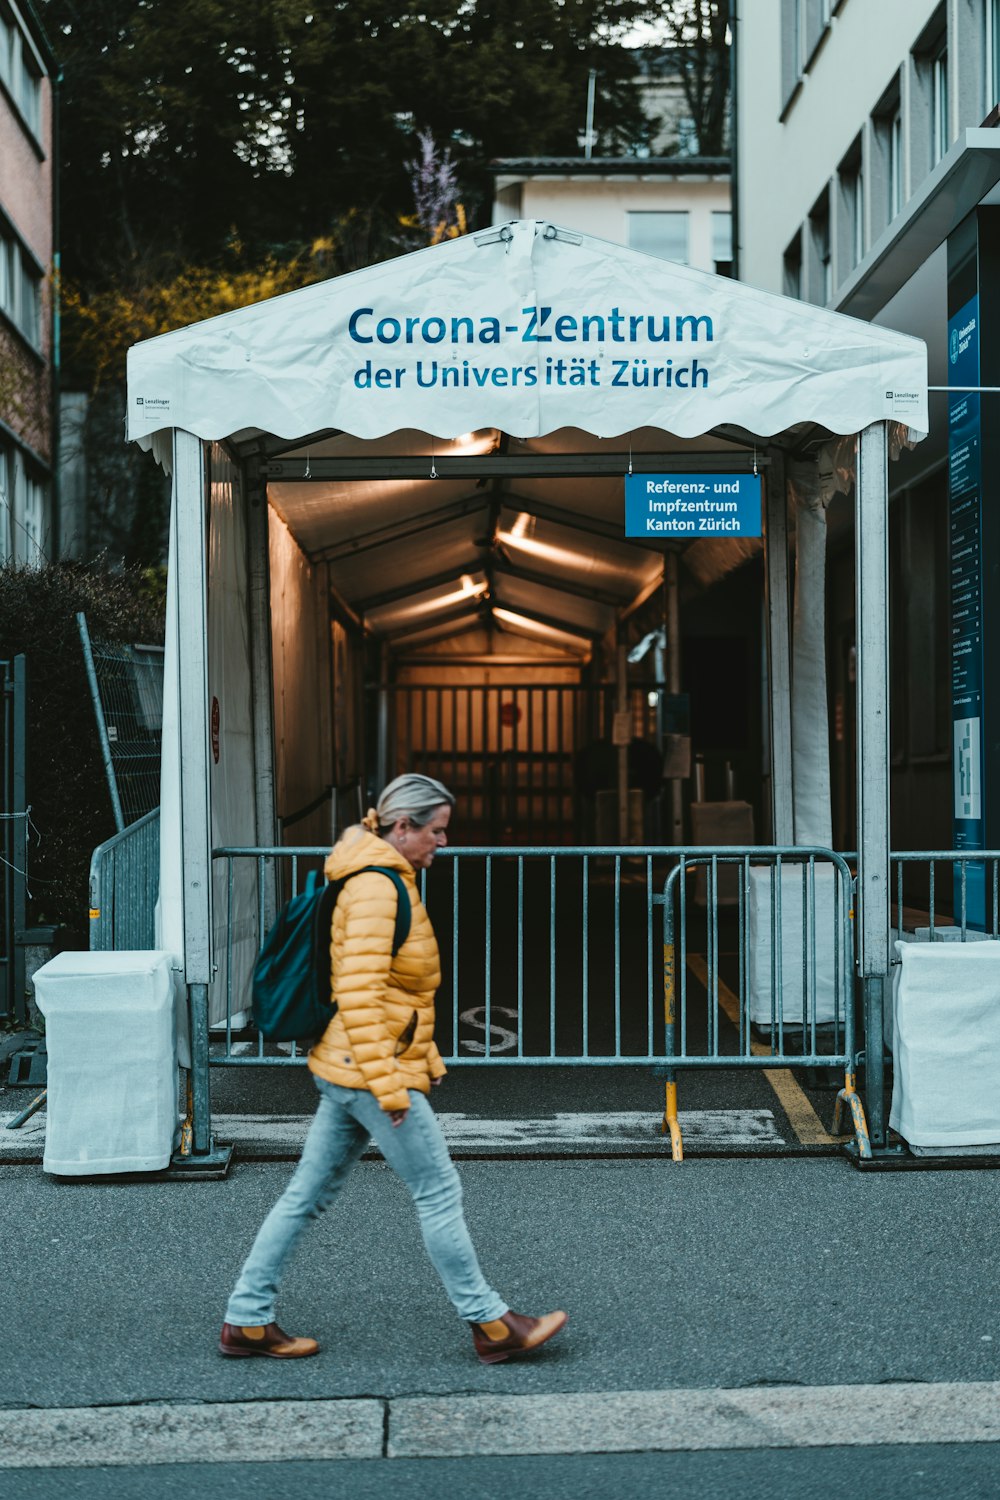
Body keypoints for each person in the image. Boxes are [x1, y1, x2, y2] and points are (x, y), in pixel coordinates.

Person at [220, 772, 567, 1365]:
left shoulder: (380, 875)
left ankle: (247, 1320)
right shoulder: (379, 889)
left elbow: (399, 995)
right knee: (437, 1192)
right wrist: (390, 1083)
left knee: (306, 1196)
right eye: (436, 830)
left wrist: (422, 1055)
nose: (443, 842)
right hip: (366, 1069)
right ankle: (491, 1323)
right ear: (402, 827)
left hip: (349, 1064)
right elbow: (359, 993)